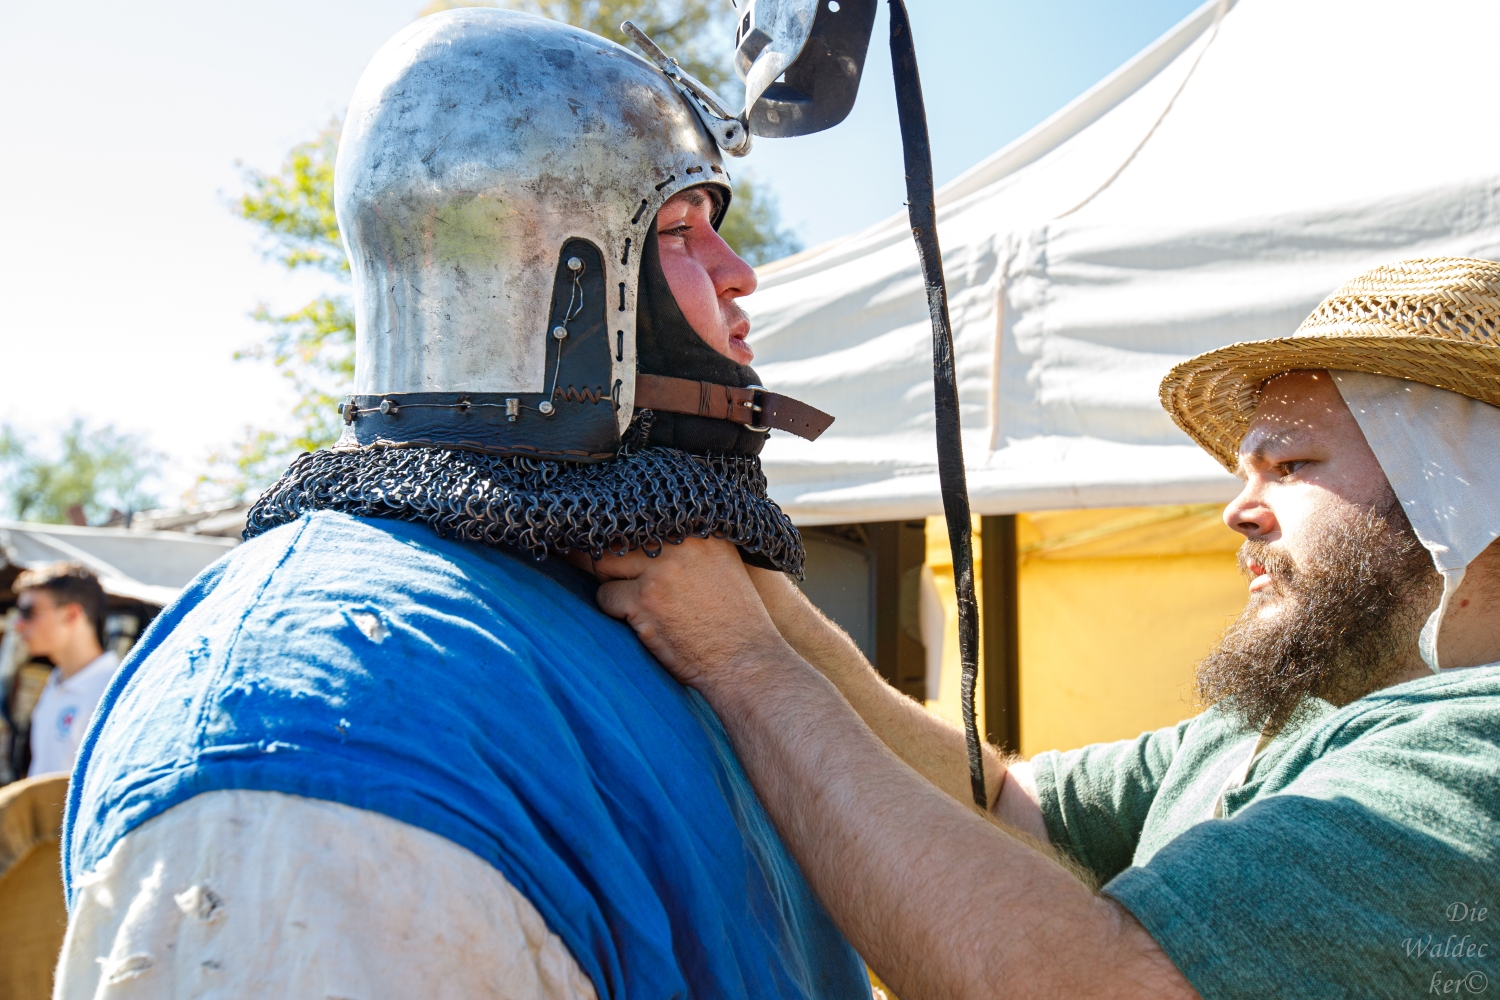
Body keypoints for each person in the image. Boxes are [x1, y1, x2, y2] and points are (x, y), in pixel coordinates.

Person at [55, 10, 858, 1000]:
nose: (740, 274)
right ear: (555, 285)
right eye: (681, 231)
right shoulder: (320, 718)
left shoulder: (676, 600)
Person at [596, 257, 1500, 999]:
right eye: (1244, 473)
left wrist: (746, 663)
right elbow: (1000, 803)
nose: (1237, 511)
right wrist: (768, 598)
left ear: (1461, 490)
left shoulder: (1473, 756)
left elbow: (1089, 986)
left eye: (1291, 466)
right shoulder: (1274, 725)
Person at [12, 563, 116, 778]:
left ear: (71, 614)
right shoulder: (57, 681)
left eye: (29, 612)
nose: (18, 624)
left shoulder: (113, 692)